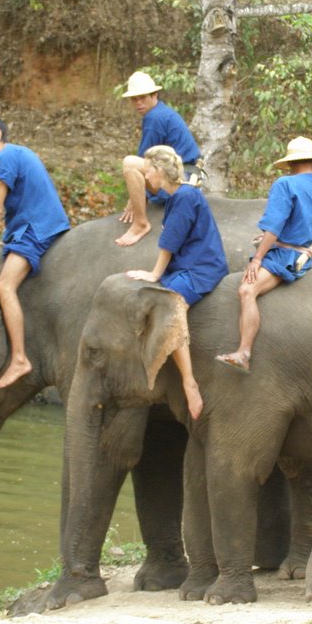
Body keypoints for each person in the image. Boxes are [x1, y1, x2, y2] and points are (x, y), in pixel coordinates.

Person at [216, 137, 312, 373]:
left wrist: (257, 259)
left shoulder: (284, 185)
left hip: (284, 258)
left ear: (290, 164)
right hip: (303, 256)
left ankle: (244, 352)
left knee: (247, 291)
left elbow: (274, 226)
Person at [0, 113, 70, 389]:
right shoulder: (19, 153)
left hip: (35, 228)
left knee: (4, 287)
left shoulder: (5, 158)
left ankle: (20, 358)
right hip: (39, 224)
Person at [126, 145, 229, 419]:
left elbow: (169, 242)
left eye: (148, 172)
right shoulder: (177, 197)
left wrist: (154, 275)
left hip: (201, 268)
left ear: (160, 171)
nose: (146, 178)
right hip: (187, 265)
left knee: (169, 306)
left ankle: (188, 381)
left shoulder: (185, 197)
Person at [116, 71, 202, 247]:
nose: (138, 103)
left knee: (129, 163)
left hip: (181, 177)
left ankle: (140, 223)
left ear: (154, 95)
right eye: (134, 99)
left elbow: (142, 161)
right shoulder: (162, 112)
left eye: (142, 98)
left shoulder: (155, 117)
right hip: (185, 173)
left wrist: (135, 199)